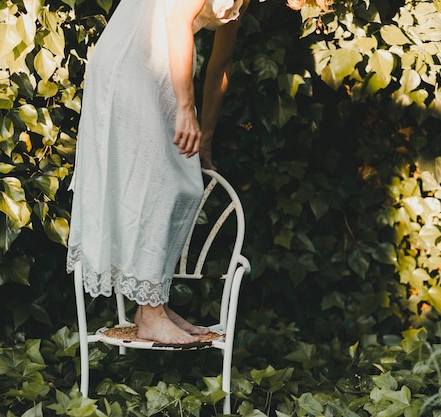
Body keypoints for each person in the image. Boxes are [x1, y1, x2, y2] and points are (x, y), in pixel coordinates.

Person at [66, 0, 317, 344]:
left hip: (158, 64)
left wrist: (207, 139)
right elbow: (176, 20)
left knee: (185, 184)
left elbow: (220, 66)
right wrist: (186, 109)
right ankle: (150, 313)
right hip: (131, 61)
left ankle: (153, 304)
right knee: (164, 183)